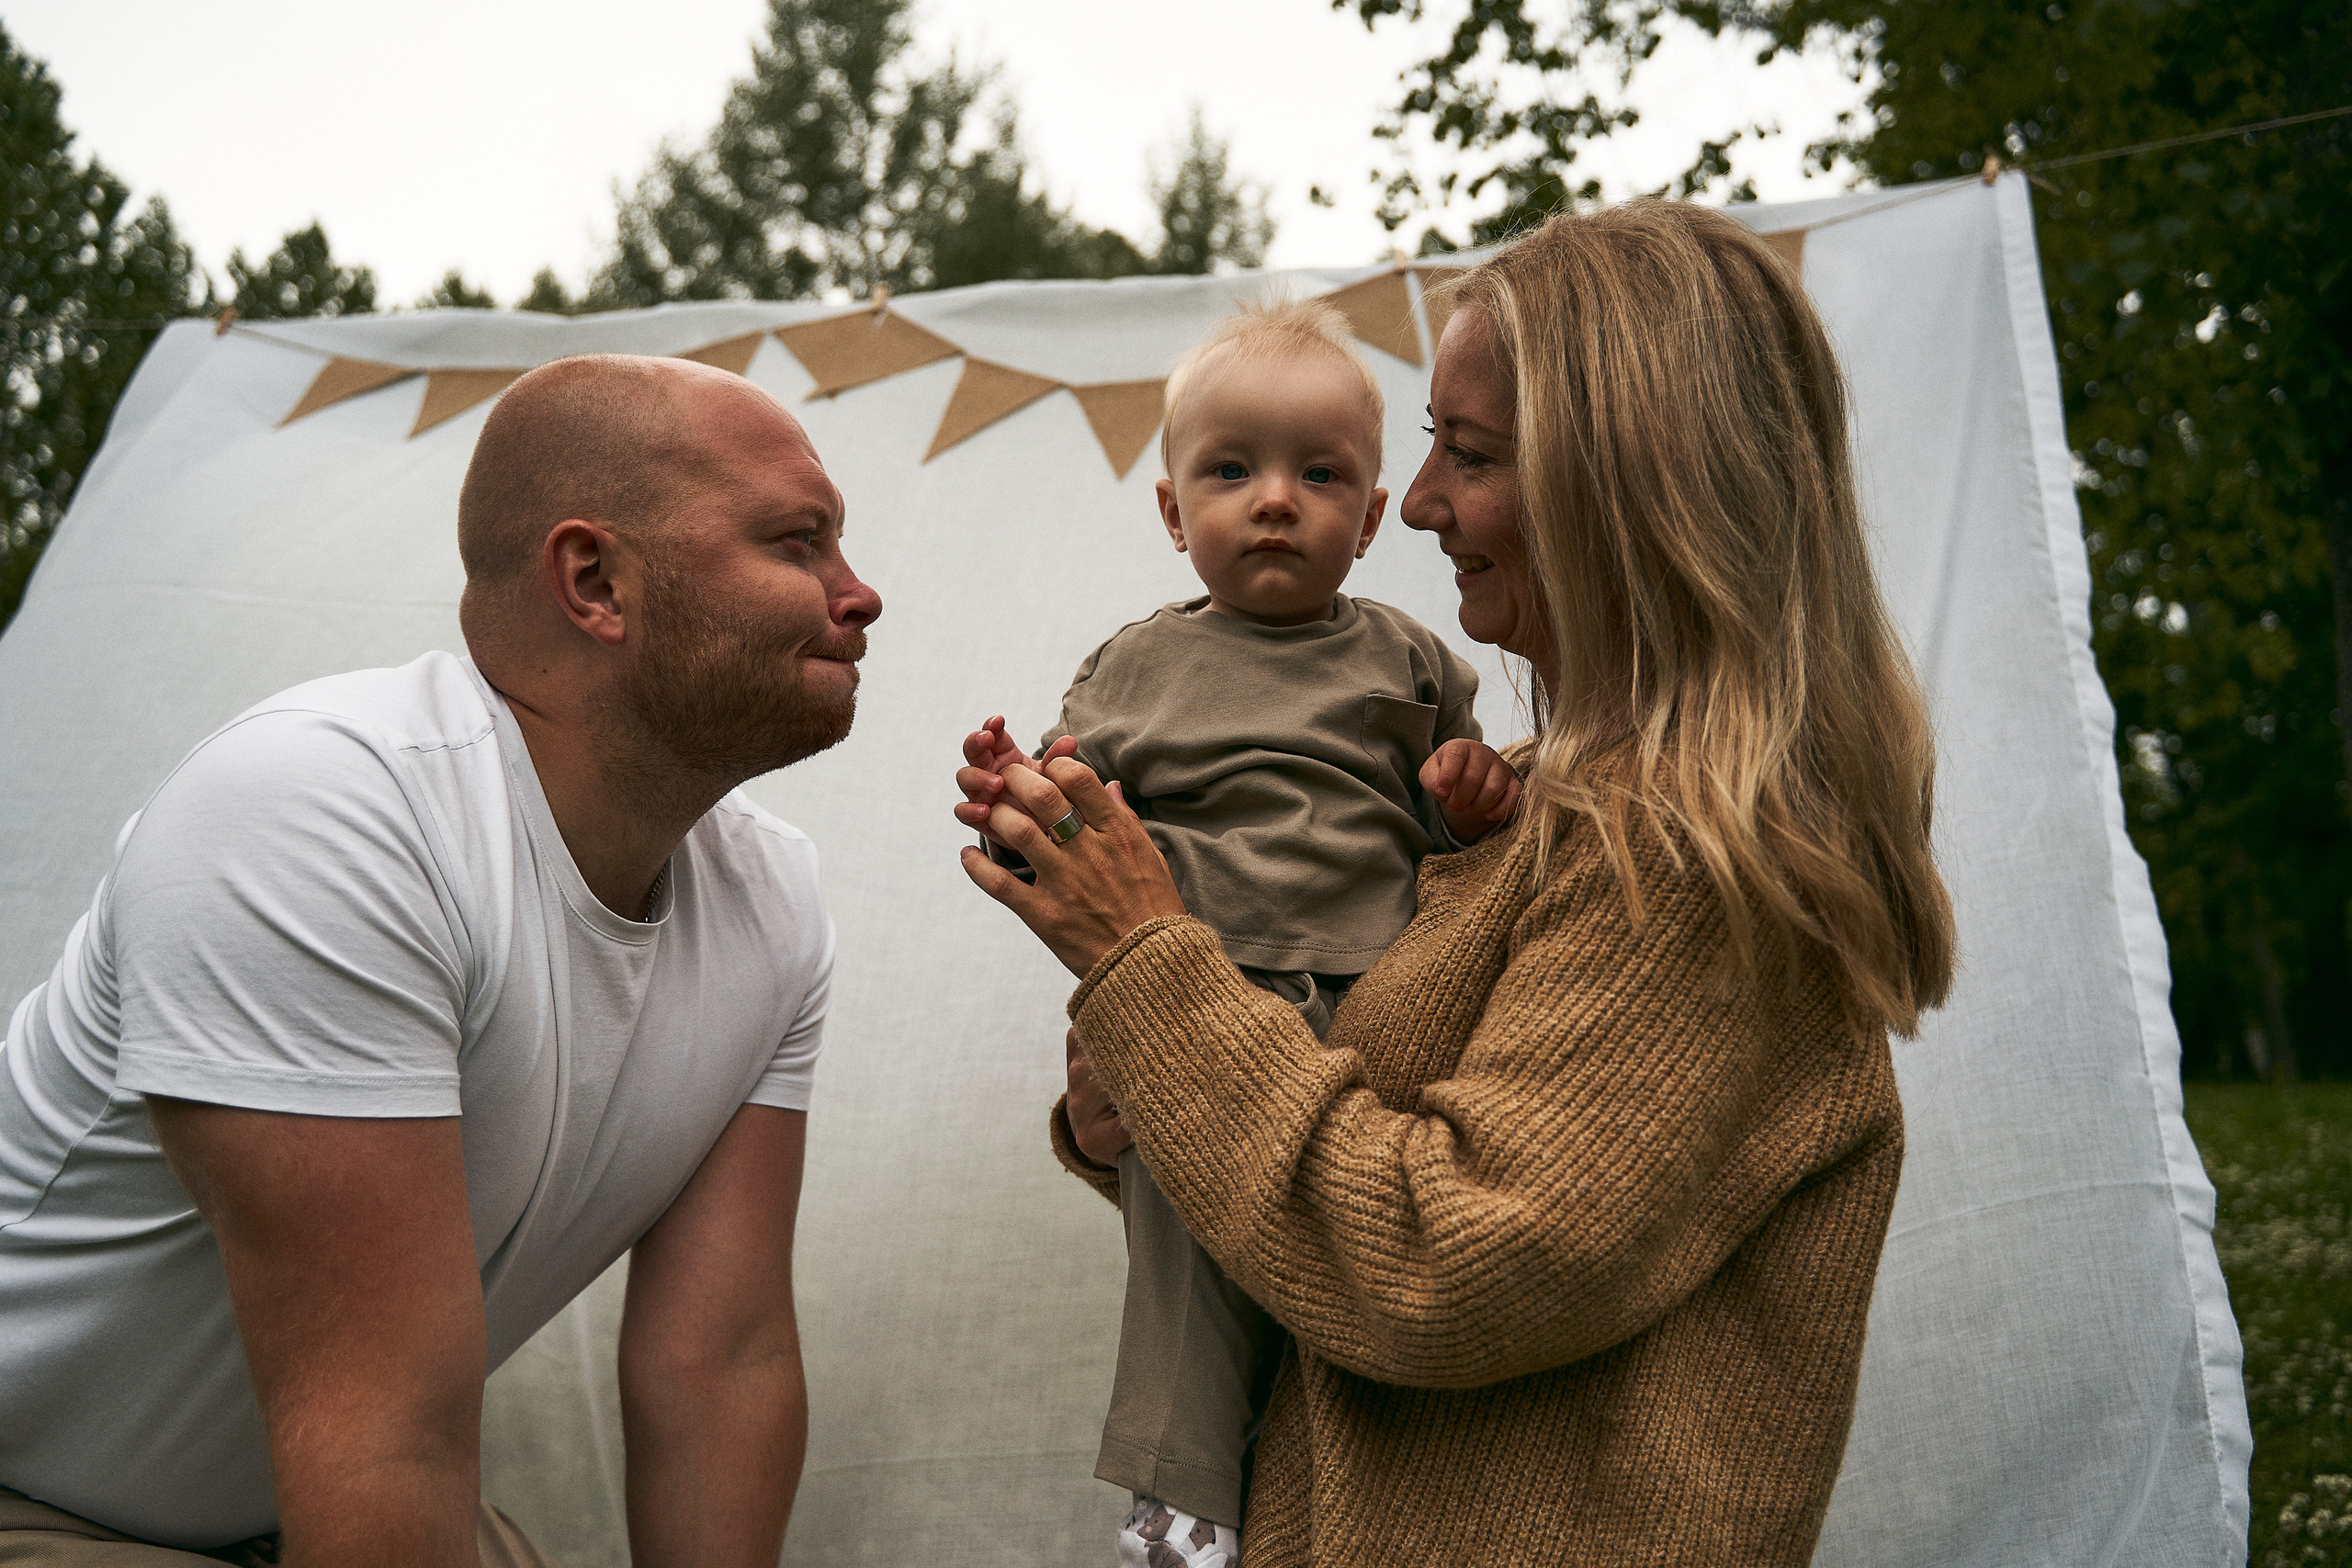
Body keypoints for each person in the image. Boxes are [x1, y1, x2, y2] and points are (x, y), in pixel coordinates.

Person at [956, 202, 1956, 1566]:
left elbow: (1443, 1265)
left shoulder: (1702, 864)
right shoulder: (1522, 802)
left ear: (1623, 487)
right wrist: (1134, 1101)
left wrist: (1150, 962)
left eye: (1465, 455)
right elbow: (1354, 1134)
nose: (1414, 503)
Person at [0, 355, 881, 1567]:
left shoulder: (772, 902)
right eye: (798, 545)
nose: (861, 593)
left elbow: (717, 1366)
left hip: (306, 1509)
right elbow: (383, 1432)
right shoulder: (320, 816)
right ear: (596, 580)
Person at [963, 299, 1521, 1566]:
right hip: (1199, 1008)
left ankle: (1348, 1499)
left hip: (1382, 1013)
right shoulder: (1134, 671)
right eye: (1233, 471)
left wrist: (1480, 802)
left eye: (1319, 475)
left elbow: (1465, 842)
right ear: (1173, 512)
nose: (1276, 500)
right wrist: (1014, 800)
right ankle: (1184, 1510)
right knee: (1189, 1263)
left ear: (1373, 518)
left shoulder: (1418, 661)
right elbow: (1071, 830)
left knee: (1362, 1261)